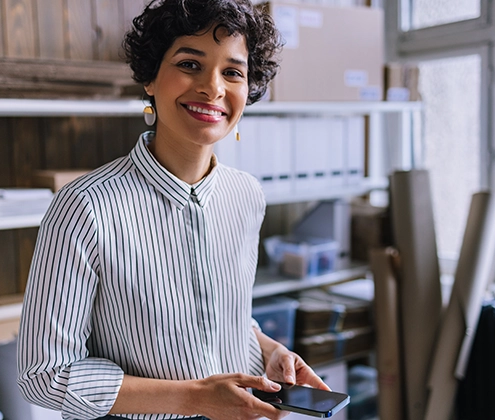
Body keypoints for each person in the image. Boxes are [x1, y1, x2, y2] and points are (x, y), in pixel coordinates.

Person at [17, 1, 328, 419]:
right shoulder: (84, 206)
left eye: (232, 72)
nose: (213, 88)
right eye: (189, 64)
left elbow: (224, 318)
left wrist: (269, 350)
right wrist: (194, 396)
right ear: (150, 77)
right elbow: (45, 375)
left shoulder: (247, 194)